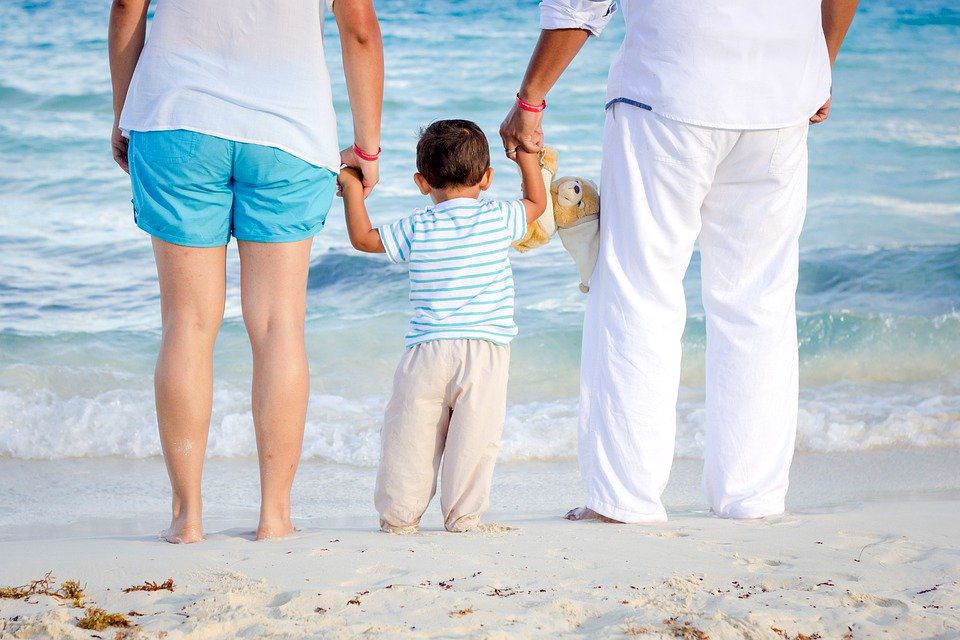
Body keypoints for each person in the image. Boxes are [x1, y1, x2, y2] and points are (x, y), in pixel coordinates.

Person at [501, 0, 858, 523]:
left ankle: (625, 498)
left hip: (669, 89)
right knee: (759, 301)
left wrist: (530, 97)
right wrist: (819, 63)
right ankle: (752, 496)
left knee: (638, 292)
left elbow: (580, 5)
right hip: (781, 97)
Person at [108, 0, 383, 542]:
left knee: (187, 324)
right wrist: (367, 147)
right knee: (279, 326)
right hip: (290, 131)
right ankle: (274, 516)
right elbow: (360, 29)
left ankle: (187, 517)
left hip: (177, 119)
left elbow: (125, 8)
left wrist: (125, 110)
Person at [338, 120, 546, 532]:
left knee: (410, 435)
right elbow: (537, 203)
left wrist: (351, 186)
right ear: (486, 178)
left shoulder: (417, 225)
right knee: (475, 438)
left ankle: (399, 517)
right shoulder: (500, 217)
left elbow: (363, 238)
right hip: (485, 349)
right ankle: (463, 517)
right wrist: (527, 156)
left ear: (421, 182)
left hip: (427, 350)